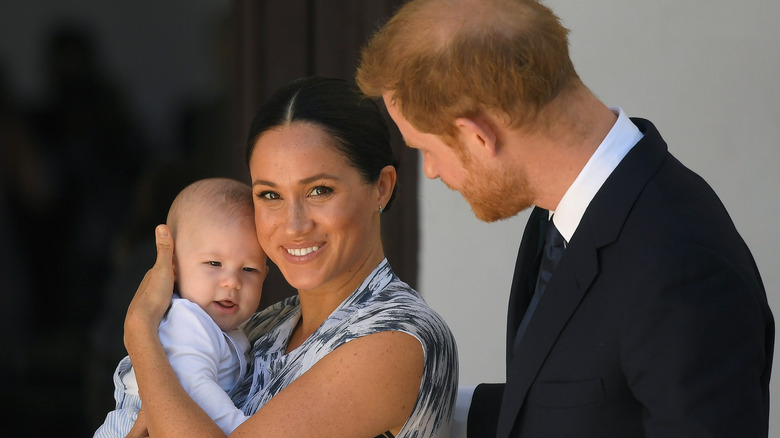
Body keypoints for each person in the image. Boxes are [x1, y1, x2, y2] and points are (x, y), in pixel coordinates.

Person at [356, 0, 774, 437]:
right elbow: (581, 406)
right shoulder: (567, 211)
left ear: (478, 136)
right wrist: (408, 403)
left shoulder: (682, 265)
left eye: (426, 149)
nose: (431, 171)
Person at [122, 76, 458, 437]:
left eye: (319, 190)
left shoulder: (397, 337)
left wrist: (140, 331)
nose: (294, 225)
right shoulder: (263, 326)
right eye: (270, 195)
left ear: (382, 187)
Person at [95, 177, 268, 436]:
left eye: (249, 269)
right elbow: (195, 388)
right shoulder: (187, 321)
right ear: (173, 267)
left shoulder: (227, 328)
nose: (232, 281)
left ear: (265, 275)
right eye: (213, 264)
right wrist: (242, 429)